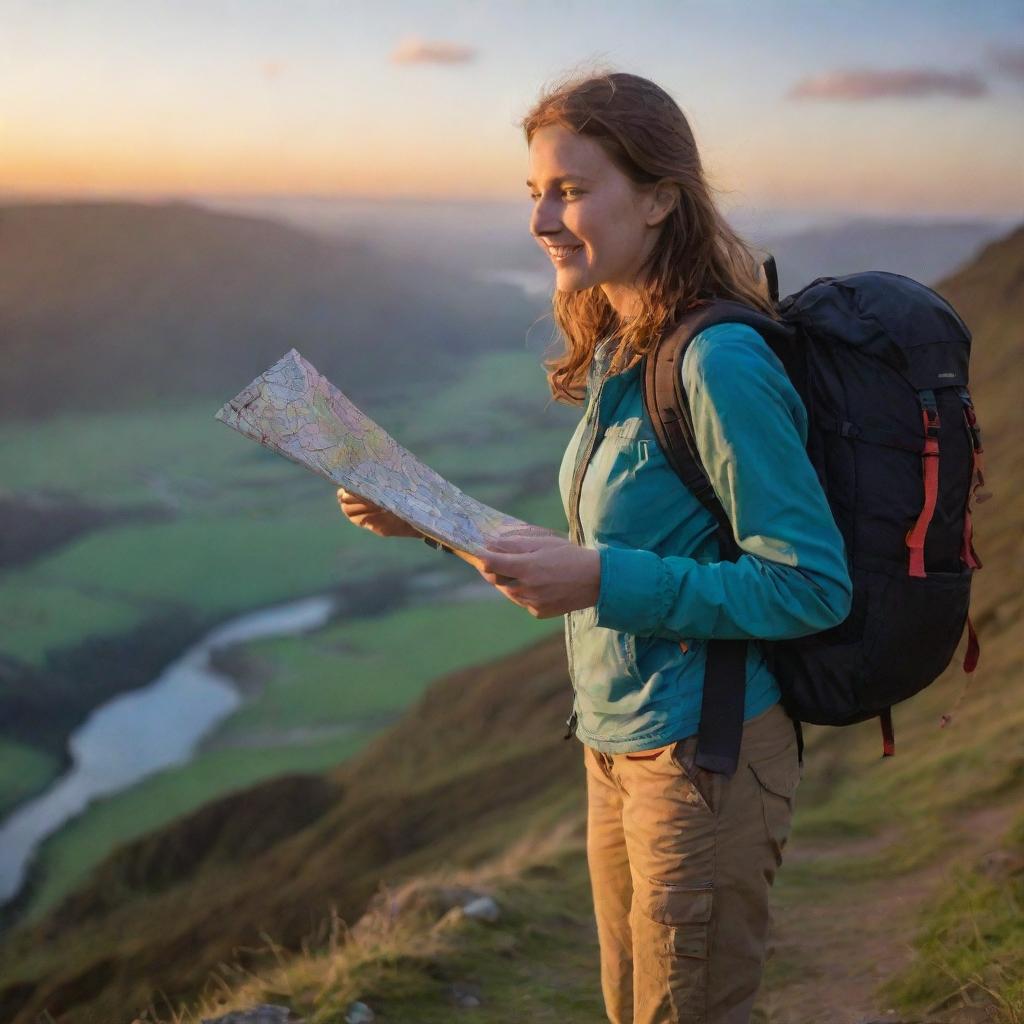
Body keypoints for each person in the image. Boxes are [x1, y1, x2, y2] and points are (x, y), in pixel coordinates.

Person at [338, 69, 852, 1024]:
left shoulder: (717, 360)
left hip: (706, 757)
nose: (540, 221)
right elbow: (600, 554)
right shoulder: (626, 347)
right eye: (534, 192)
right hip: (618, 747)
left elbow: (810, 585)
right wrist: (437, 526)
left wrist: (603, 578)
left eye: (570, 190)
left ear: (660, 198)